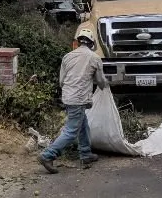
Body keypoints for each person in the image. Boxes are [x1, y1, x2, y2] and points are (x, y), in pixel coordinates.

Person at [38, 29, 109, 174]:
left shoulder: (67, 56)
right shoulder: (95, 58)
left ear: (77, 42)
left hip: (68, 96)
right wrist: (106, 86)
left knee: (83, 124)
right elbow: (101, 81)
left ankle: (85, 153)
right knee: (71, 131)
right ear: (92, 43)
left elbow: (61, 81)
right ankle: (48, 155)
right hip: (78, 99)